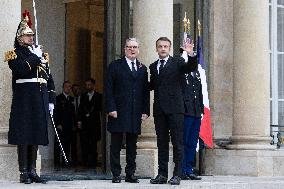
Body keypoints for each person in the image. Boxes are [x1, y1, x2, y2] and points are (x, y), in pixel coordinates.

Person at [5, 12, 55, 184]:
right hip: (24, 100)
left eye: (32, 35)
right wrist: (35, 56)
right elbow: (21, 70)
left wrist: (51, 99)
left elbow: (48, 78)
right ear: (20, 38)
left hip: (39, 99)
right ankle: (23, 172)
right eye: (27, 35)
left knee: (36, 135)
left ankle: (33, 170)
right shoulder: (15, 54)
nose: (31, 37)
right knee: (24, 135)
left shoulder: (40, 54)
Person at [149, 37, 197, 185]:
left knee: (178, 142)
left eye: (165, 46)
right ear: (156, 49)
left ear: (169, 48)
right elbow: (152, 85)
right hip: (160, 110)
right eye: (160, 46)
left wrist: (190, 55)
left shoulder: (177, 62)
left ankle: (177, 174)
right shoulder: (153, 66)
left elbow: (189, 68)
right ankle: (162, 174)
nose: (163, 49)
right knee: (161, 143)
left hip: (176, 109)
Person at [105, 38, 150, 183]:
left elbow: (145, 92)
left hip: (135, 112)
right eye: (129, 47)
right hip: (117, 111)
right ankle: (116, 174)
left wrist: (145, 111)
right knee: (116, 144)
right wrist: (111, 108)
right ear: (124, 49)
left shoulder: (143, 68)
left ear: (138, 50)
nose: (132, 49)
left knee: (132, 145)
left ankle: (130, 173)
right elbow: (108, 89)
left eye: (135, 47)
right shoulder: (115, 66)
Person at [181, 70, 204, 180]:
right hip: (186, 112)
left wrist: (201, 110)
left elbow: (199, 92)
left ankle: (189, 169)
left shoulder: (197, 72)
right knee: (183, 142)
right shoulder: (181, 71)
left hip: (196, 112)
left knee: (192, 142)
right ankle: (182, 169)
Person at [78, 78, 102, 168]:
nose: (88, 87)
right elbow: (80, 109)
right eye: (86, 85)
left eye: (89, 85)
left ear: (93, 85)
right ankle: (85, 162)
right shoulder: (83, 96)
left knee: (93, 144)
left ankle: (93, 162)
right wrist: (79, 120)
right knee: (84, 144)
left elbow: (101, 110)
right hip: (85, 124)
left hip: (94, 124)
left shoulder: (99, 96)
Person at [54, 81, 75, 167]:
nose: (68, 88)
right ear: (63, 87)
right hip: (60, 125)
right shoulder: (58, 98)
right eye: (67, 87)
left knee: (67, 144)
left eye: (70, 87)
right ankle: (57, 162)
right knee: (58, 144)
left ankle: (65, 161)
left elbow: (73, 113)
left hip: (69, 125)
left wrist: (74, 124)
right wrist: (58, 123)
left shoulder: (71, 99)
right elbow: (55, 112)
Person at [71, 84, 81, 166]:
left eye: (77, 89)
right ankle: (74, 160)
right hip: (73, 124)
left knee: (83, 142)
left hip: (83, 124)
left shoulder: (84, 98)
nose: (75, 91)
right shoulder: (71, 99)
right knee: (73, 143)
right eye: (74, 89)